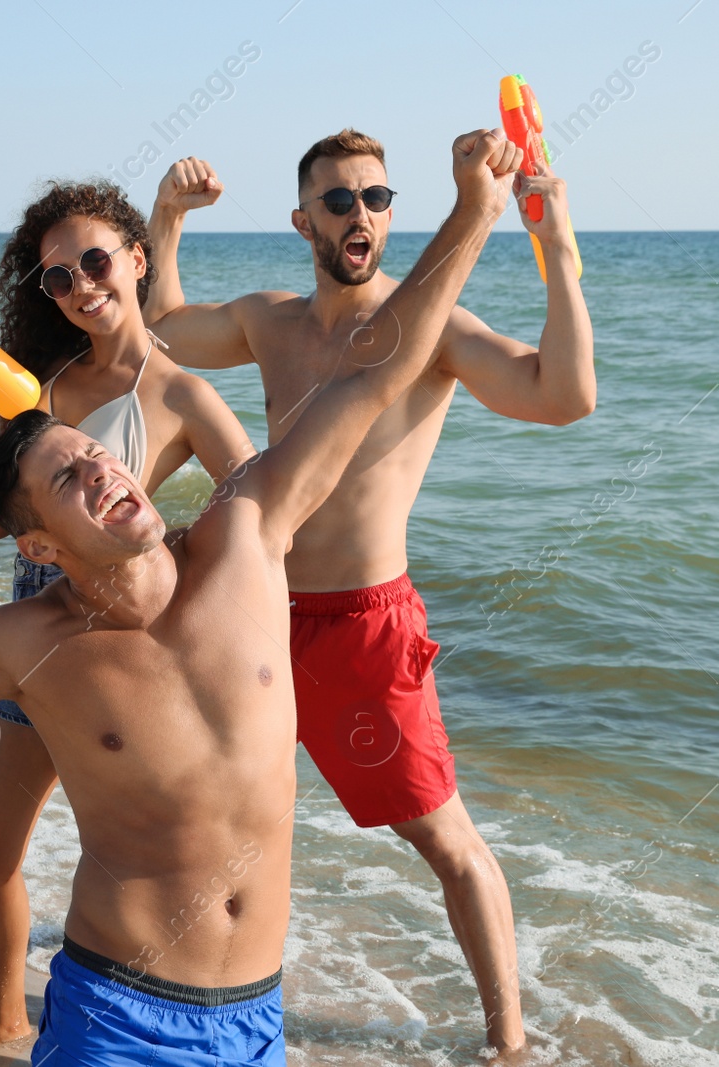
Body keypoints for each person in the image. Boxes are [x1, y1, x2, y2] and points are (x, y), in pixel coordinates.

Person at [0, 128, 520, 1067]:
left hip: (258, 1024)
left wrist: (475, 214)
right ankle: (6, 1016)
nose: (103, 468)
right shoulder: (25, 643)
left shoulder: (245, 541)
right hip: (117, 1018)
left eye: (95, 453)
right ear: (39, 542)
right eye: (70, 477)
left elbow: (378, 369)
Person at [143, 130, 595, 1052]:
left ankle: (508, 1040)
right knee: (209, 811)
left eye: (379, 199)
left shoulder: (433, 332)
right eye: (341, 201)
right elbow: (162, 326)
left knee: (444, 840)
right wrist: (165, 219)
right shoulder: (271, 319)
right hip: (259, 609)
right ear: (305, 219)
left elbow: (564, 395)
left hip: (365, 625)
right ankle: (200, 995)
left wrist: (557, 250)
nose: (362, 215)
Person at [0, 180, 255, 1042]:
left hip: (120, 662)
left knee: (140, 864)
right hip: (33, 641)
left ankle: (162, 1021)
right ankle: (4, 1023)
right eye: (57, 279)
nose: (80, 286)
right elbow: (2, 523)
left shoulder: (183, 394)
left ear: (138, 260)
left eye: (95, 261)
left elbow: (260, 514)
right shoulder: (39, 381)